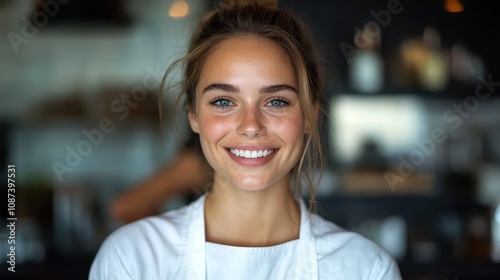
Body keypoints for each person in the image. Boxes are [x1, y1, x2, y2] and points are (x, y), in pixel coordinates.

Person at [89, 0, 403, 279]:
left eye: (276, 101)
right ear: (193, 115)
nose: (251, 126)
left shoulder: (364, 269)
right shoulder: (131, 261)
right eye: (224, 101)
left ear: (309, 115)